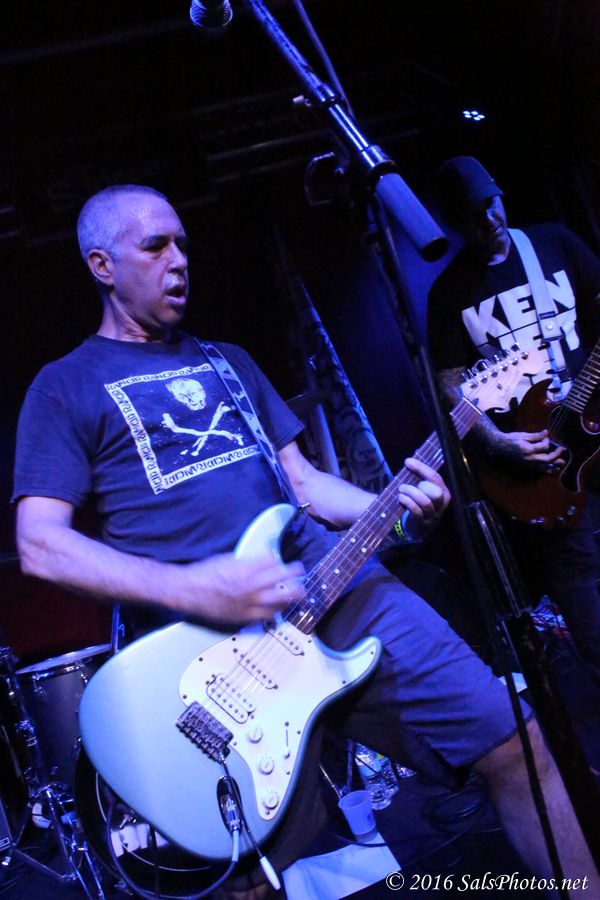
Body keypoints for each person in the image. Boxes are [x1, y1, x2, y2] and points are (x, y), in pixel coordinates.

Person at [12, 184, 599, 897]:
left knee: (515, 740)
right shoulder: (64, 386)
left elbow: (305, 484)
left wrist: (399, 513)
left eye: (184, 244)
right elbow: (40, 544)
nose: (179, 260)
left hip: (335, 585)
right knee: (249, 878)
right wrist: (193, 587)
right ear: (102, 265)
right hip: (210, 652)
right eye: (155, 246)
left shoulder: (228, 360)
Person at [427, 155, 600, 692]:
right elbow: (451, 386)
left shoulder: (555, 243)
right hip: (543, 464)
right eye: (473, 214)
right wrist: (497, 442)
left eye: (492, 204)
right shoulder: (449, 294)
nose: (490, 219)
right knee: (581, 583)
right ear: (453, 223)